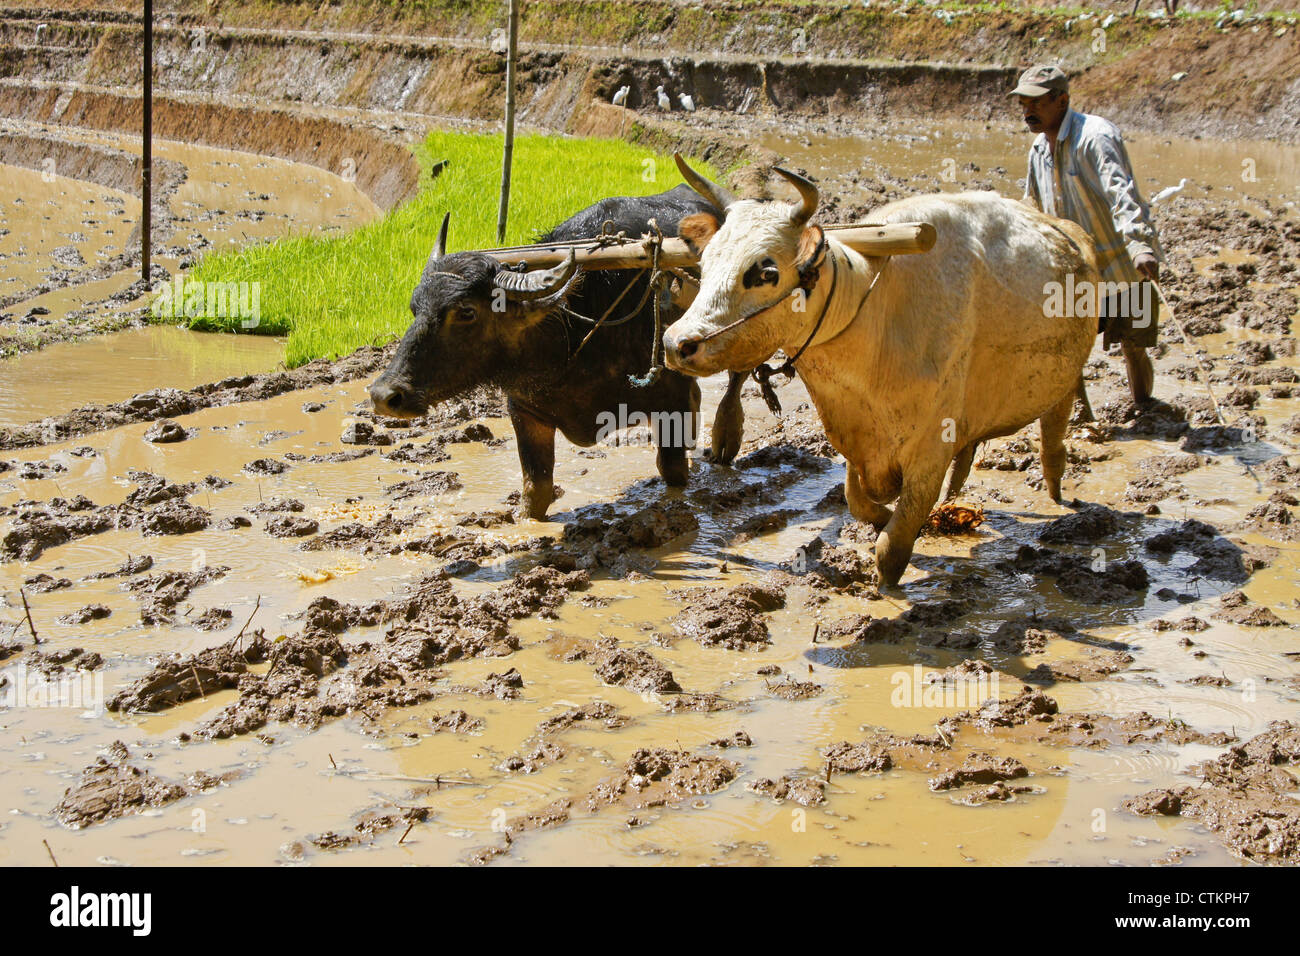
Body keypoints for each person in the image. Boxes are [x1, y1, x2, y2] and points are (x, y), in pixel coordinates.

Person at [1013, 64, 1164, 406]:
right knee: (1064, 350)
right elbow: (1033, 205)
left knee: (1134, 345)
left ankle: (1144, 408)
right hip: (1073, 269)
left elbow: (1120, 192)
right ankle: (1082, 418)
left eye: (1036, 103)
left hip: (1124, 265)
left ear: (1062, 100)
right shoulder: (1037, 150)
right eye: (1023, 104)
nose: (1027, 112)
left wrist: (1140, 244)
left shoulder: (1095, 136)